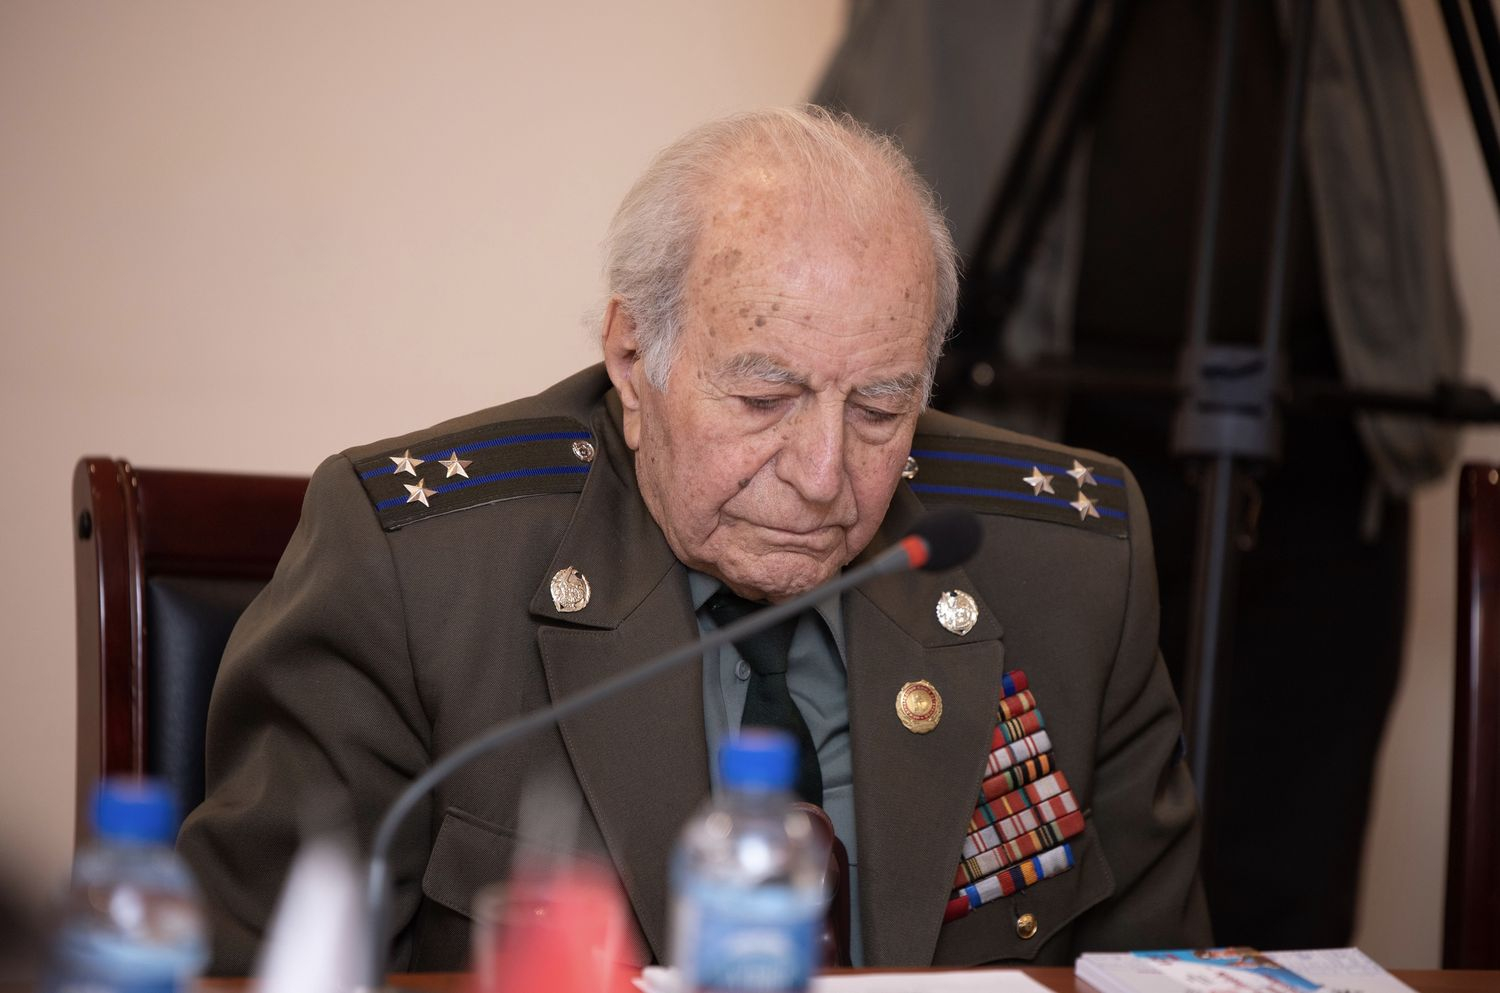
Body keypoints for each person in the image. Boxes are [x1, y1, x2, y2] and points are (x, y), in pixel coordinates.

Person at [178, 106, 1210, 974]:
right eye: (765, 398)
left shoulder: (1074, 566)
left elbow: (1162, 975)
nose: (823, 474)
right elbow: (251, 973)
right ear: (633, 360)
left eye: (880, 408)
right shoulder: (417, 571)